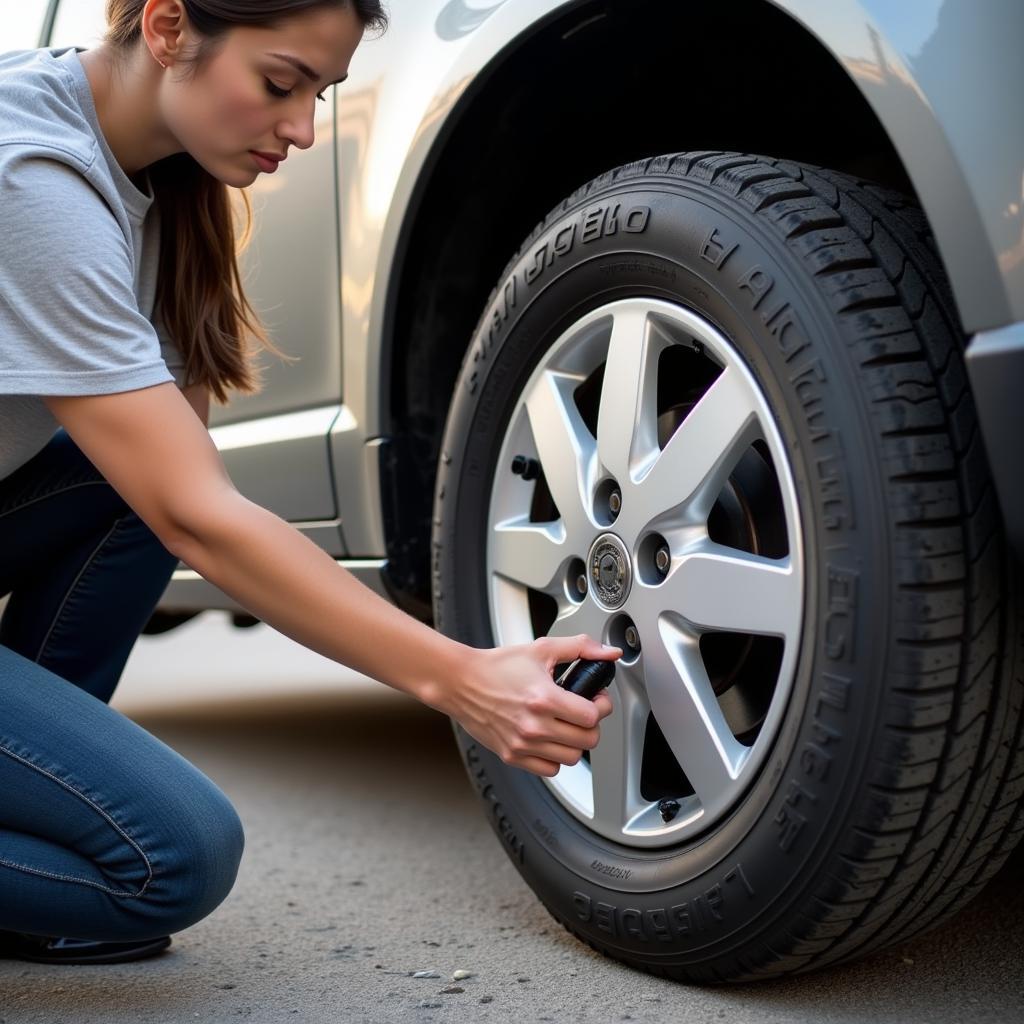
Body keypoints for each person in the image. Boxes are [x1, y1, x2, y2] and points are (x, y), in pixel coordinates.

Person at [0, 0, 619, 965]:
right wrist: (461, 680)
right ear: (167, 28)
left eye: (320, 94)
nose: (302, 129)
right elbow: (199, 521)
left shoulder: (160, 183)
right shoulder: (33, 176)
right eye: (280, 85)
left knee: (126, 481)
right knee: (170, 859)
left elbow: (179, 492)